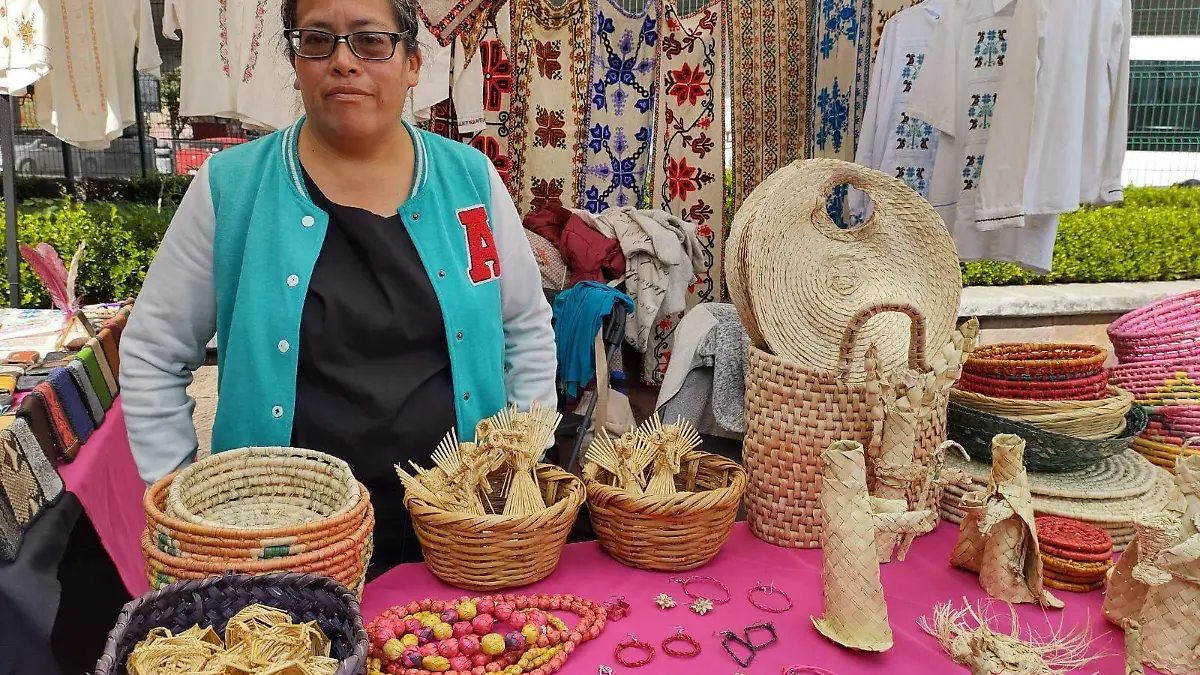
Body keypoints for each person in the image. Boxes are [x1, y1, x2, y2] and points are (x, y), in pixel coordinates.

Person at [120, 0, 557, 575]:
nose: (344, 61)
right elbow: (153, 351)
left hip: (460, 529)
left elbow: (523, 326)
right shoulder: (231, 189)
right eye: (318, 39)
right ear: (295, 63)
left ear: (412, 64)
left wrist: (520, 468)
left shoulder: (469, 181)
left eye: (371, 41)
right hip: (285, 546)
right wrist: (186, 497)